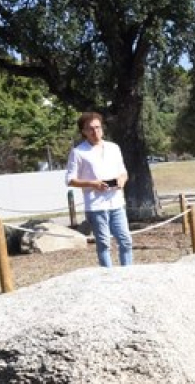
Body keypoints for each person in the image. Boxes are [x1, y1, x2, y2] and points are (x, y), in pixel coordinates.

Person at [65, 111, 133, 268]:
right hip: (96, 206)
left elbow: (123, 171)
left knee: (125, 240)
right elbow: (70, 180)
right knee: (103, 244)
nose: (95, 131)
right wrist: (93, 183)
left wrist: (122, 180)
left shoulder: (113, 148)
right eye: (90, 128)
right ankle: (107, 276)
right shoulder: (78, 152)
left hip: (116, 202)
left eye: (97, 127)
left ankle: (128, 273)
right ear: (84, 132)